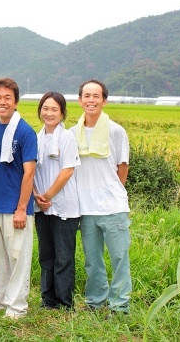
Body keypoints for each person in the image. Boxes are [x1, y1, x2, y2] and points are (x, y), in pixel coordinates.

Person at [69, 79, 131, 314]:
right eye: (87, 95)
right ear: (80, 100)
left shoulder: (115, 130)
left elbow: (122, 167)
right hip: (86, 208)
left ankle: (119, 305)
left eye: (96, 96)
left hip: (113, 207)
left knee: (119, 259)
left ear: (104, 101)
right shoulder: (73, 132)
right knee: (92, 261)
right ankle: (95, 301)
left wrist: (111, 191)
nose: (91, 100)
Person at [0, 77, 37, 319]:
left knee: (18, 258)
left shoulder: (25, 131)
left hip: (16, 208)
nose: (2, 102)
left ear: (16, 102)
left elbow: (29, 173)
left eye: (8, 98)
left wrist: (21, 208)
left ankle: (17, 307)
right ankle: (2, 301)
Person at [32, 92, 81, 310]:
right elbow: (31, 170)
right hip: (41, 207)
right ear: (40, 111)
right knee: (46, 255)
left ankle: (64, 302)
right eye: (45, 108)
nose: (49, 113)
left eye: (54, 109)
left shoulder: (67, 137)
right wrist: (37, 196)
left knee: (63, 257)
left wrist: (48, 196)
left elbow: (68, 170)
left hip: (63, 207)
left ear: (62, 113)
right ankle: (47, 300)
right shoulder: (36, 137)